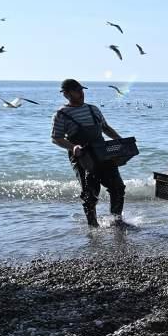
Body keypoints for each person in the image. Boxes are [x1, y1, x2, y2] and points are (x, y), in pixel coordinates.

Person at [51, 78, 127, 228]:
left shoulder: (93, 109)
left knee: (118, 187)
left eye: (81, 90)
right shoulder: (61, 114)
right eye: (77, 91)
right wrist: (73, 147)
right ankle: (93, 226)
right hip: (82, 157)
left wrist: (120, 140)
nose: (81, 93)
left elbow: (105, 128)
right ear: (66, 94)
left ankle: (117, 221)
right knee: (90, 193)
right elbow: (56, 138)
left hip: (103, 153)